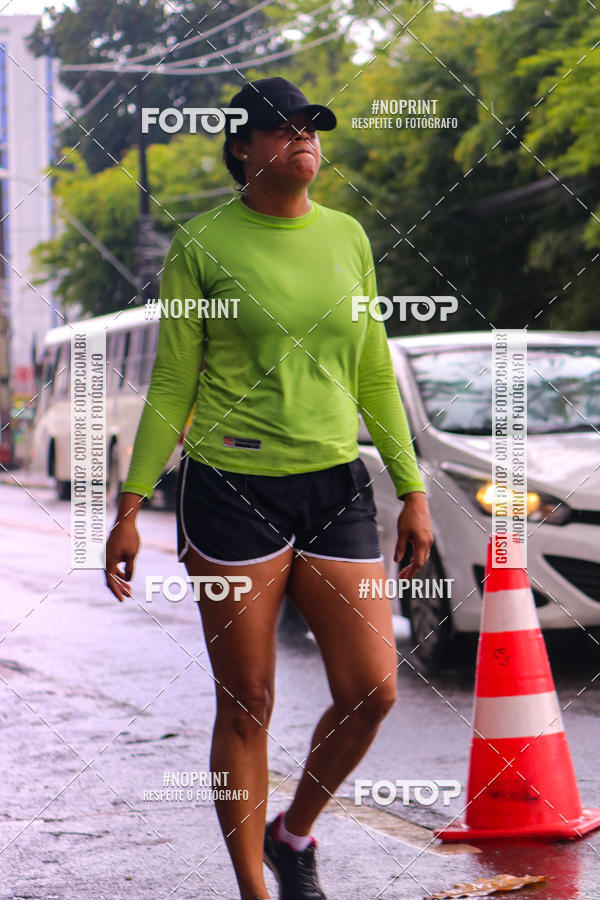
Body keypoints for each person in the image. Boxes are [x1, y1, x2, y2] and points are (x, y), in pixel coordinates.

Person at [105, 76, 433, 900]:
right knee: (247, 699)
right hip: (230, 490)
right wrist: (131, 506)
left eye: (310, 127)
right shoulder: (201, 243)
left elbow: (373, 369)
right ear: (242, 148)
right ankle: (255, 889)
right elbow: (174, 380)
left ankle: (293, 836)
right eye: (282, 128)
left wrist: (413, 487)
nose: (303, 139)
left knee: (372, 691)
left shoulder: (349, 237)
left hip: (335, 485)